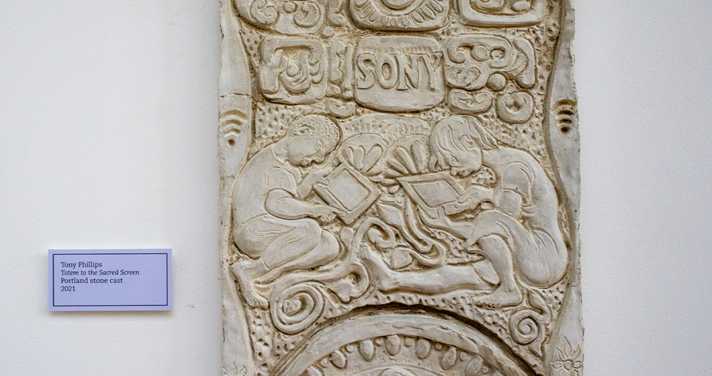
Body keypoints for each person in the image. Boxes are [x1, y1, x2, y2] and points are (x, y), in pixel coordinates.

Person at [362, 115, 568, 308]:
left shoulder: (514, 167)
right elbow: (502, 229)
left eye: (452, 160)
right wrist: (447, 222)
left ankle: (510, 289)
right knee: (460, 274)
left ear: (468, 142)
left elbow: (505, 217)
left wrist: (477, 201)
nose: (453, 170)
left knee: (488, 218)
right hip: (524, 255)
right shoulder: (506, 169)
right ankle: (393, 279)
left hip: (544, 259)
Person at [232, 114, 342, 307]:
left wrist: (309, 180)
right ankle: (249, 271)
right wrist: (314, 210)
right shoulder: (275, 164)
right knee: (310, 229)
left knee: (330, 245)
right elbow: (278, 204)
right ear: (302, 131)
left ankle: (270, 276)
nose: (319, 158)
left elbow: (291, 196)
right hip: (252, 230)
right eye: (319, 148)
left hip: (270, 226)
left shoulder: (286, 165)